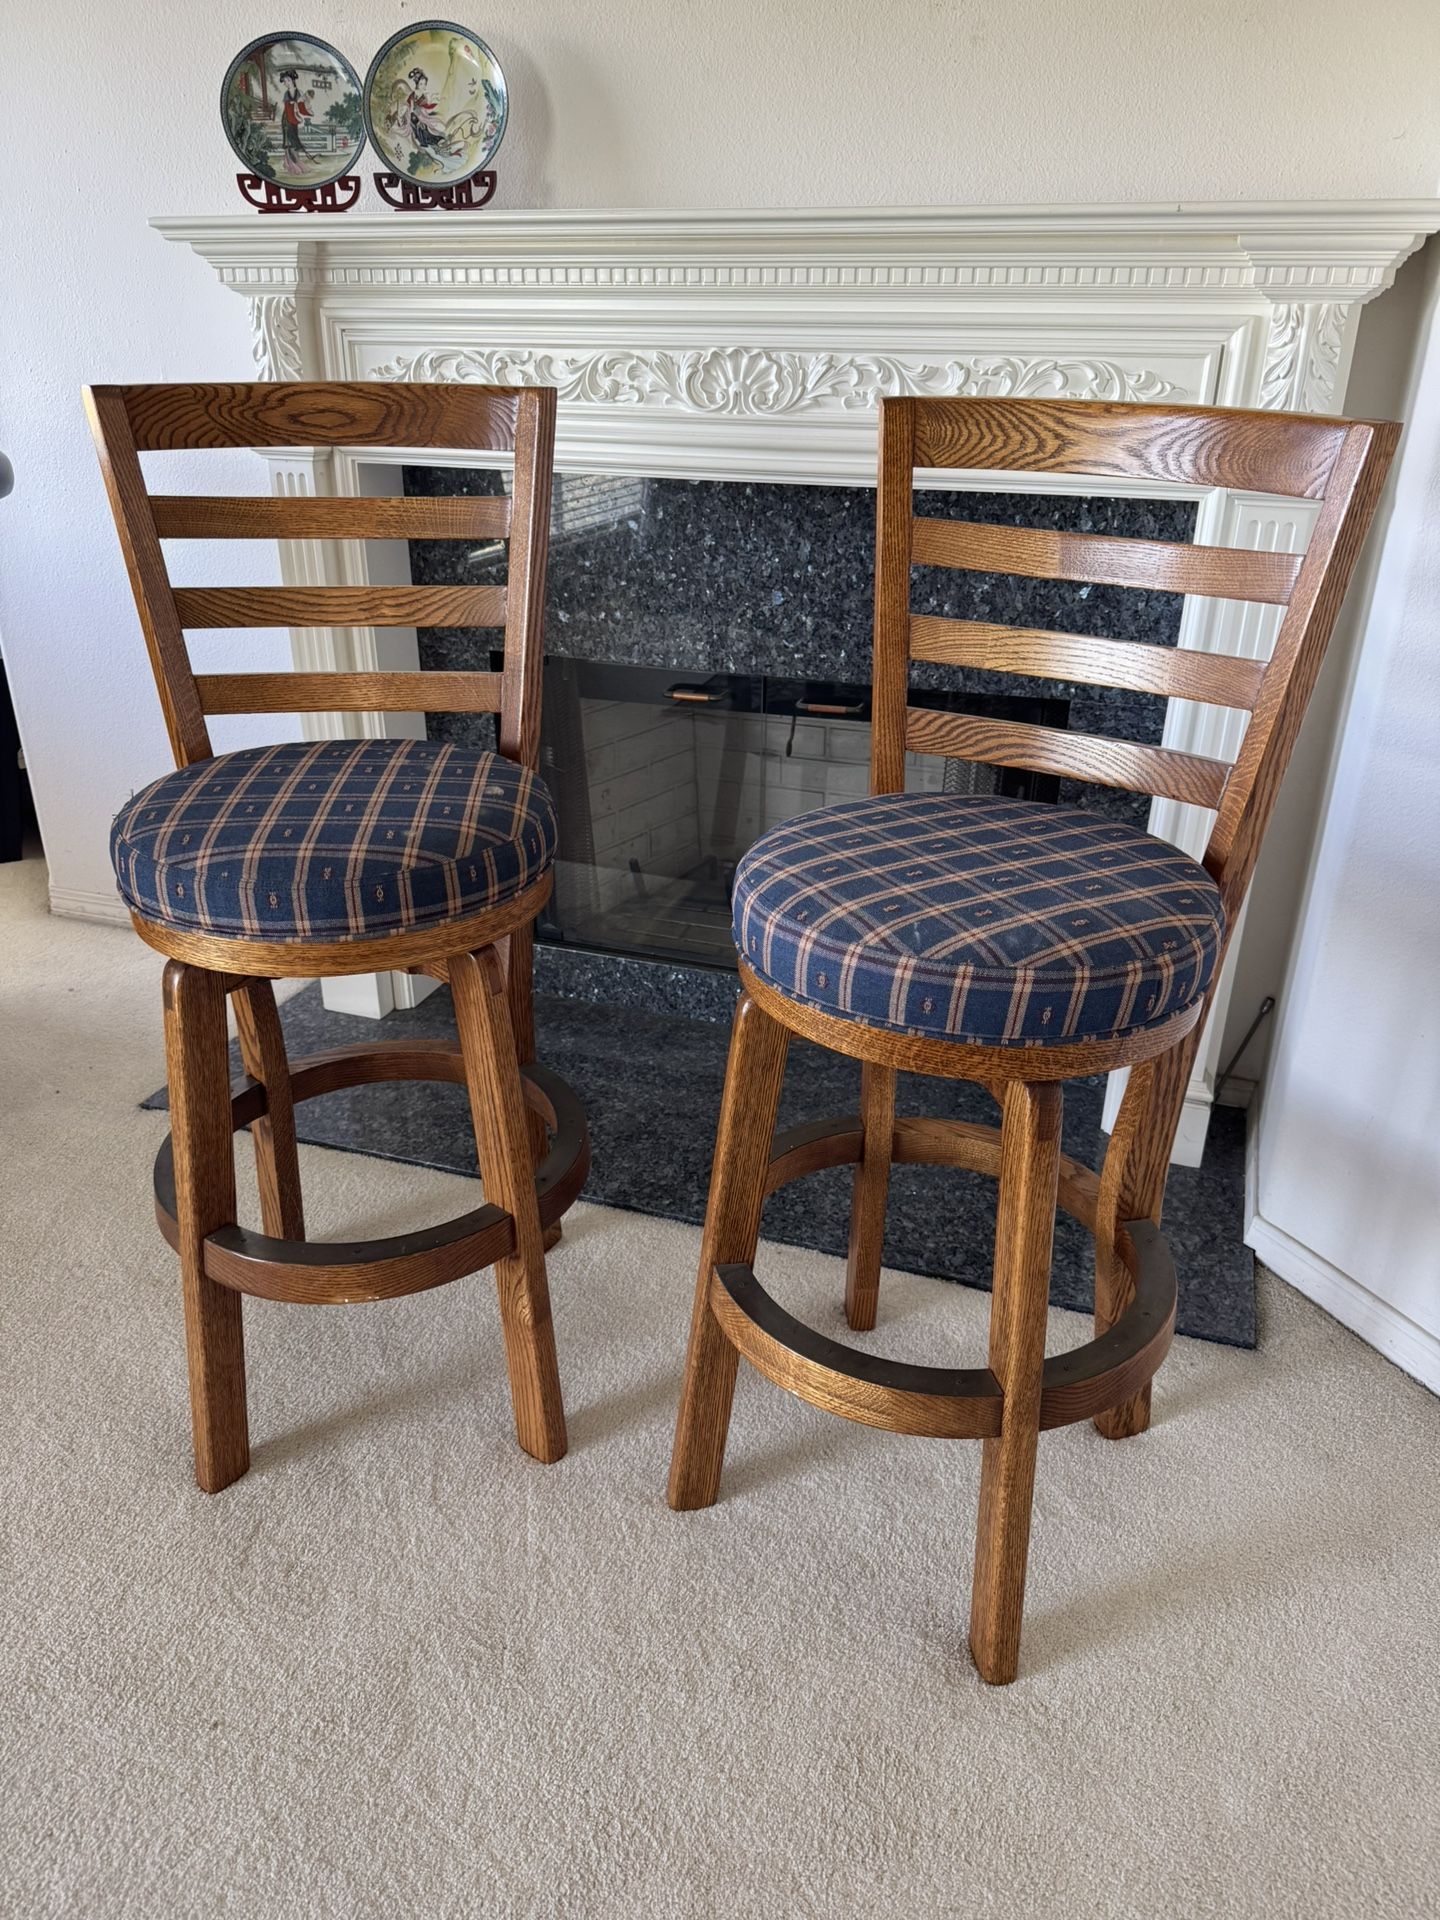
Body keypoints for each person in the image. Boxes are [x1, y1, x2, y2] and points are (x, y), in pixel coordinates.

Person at [278, 67, 314, 175]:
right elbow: (287, 107)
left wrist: (306, 108)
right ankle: (292, 164)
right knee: (289, 141)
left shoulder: (299, 92)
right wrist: (293, 104)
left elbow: (302, 107)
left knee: (294, 139)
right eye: (285, 81)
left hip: (294, 119)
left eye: (288, 80)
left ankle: (295, 162)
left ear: (293, 80)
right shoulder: (286, 94)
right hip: (287, 119)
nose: (286, 83)